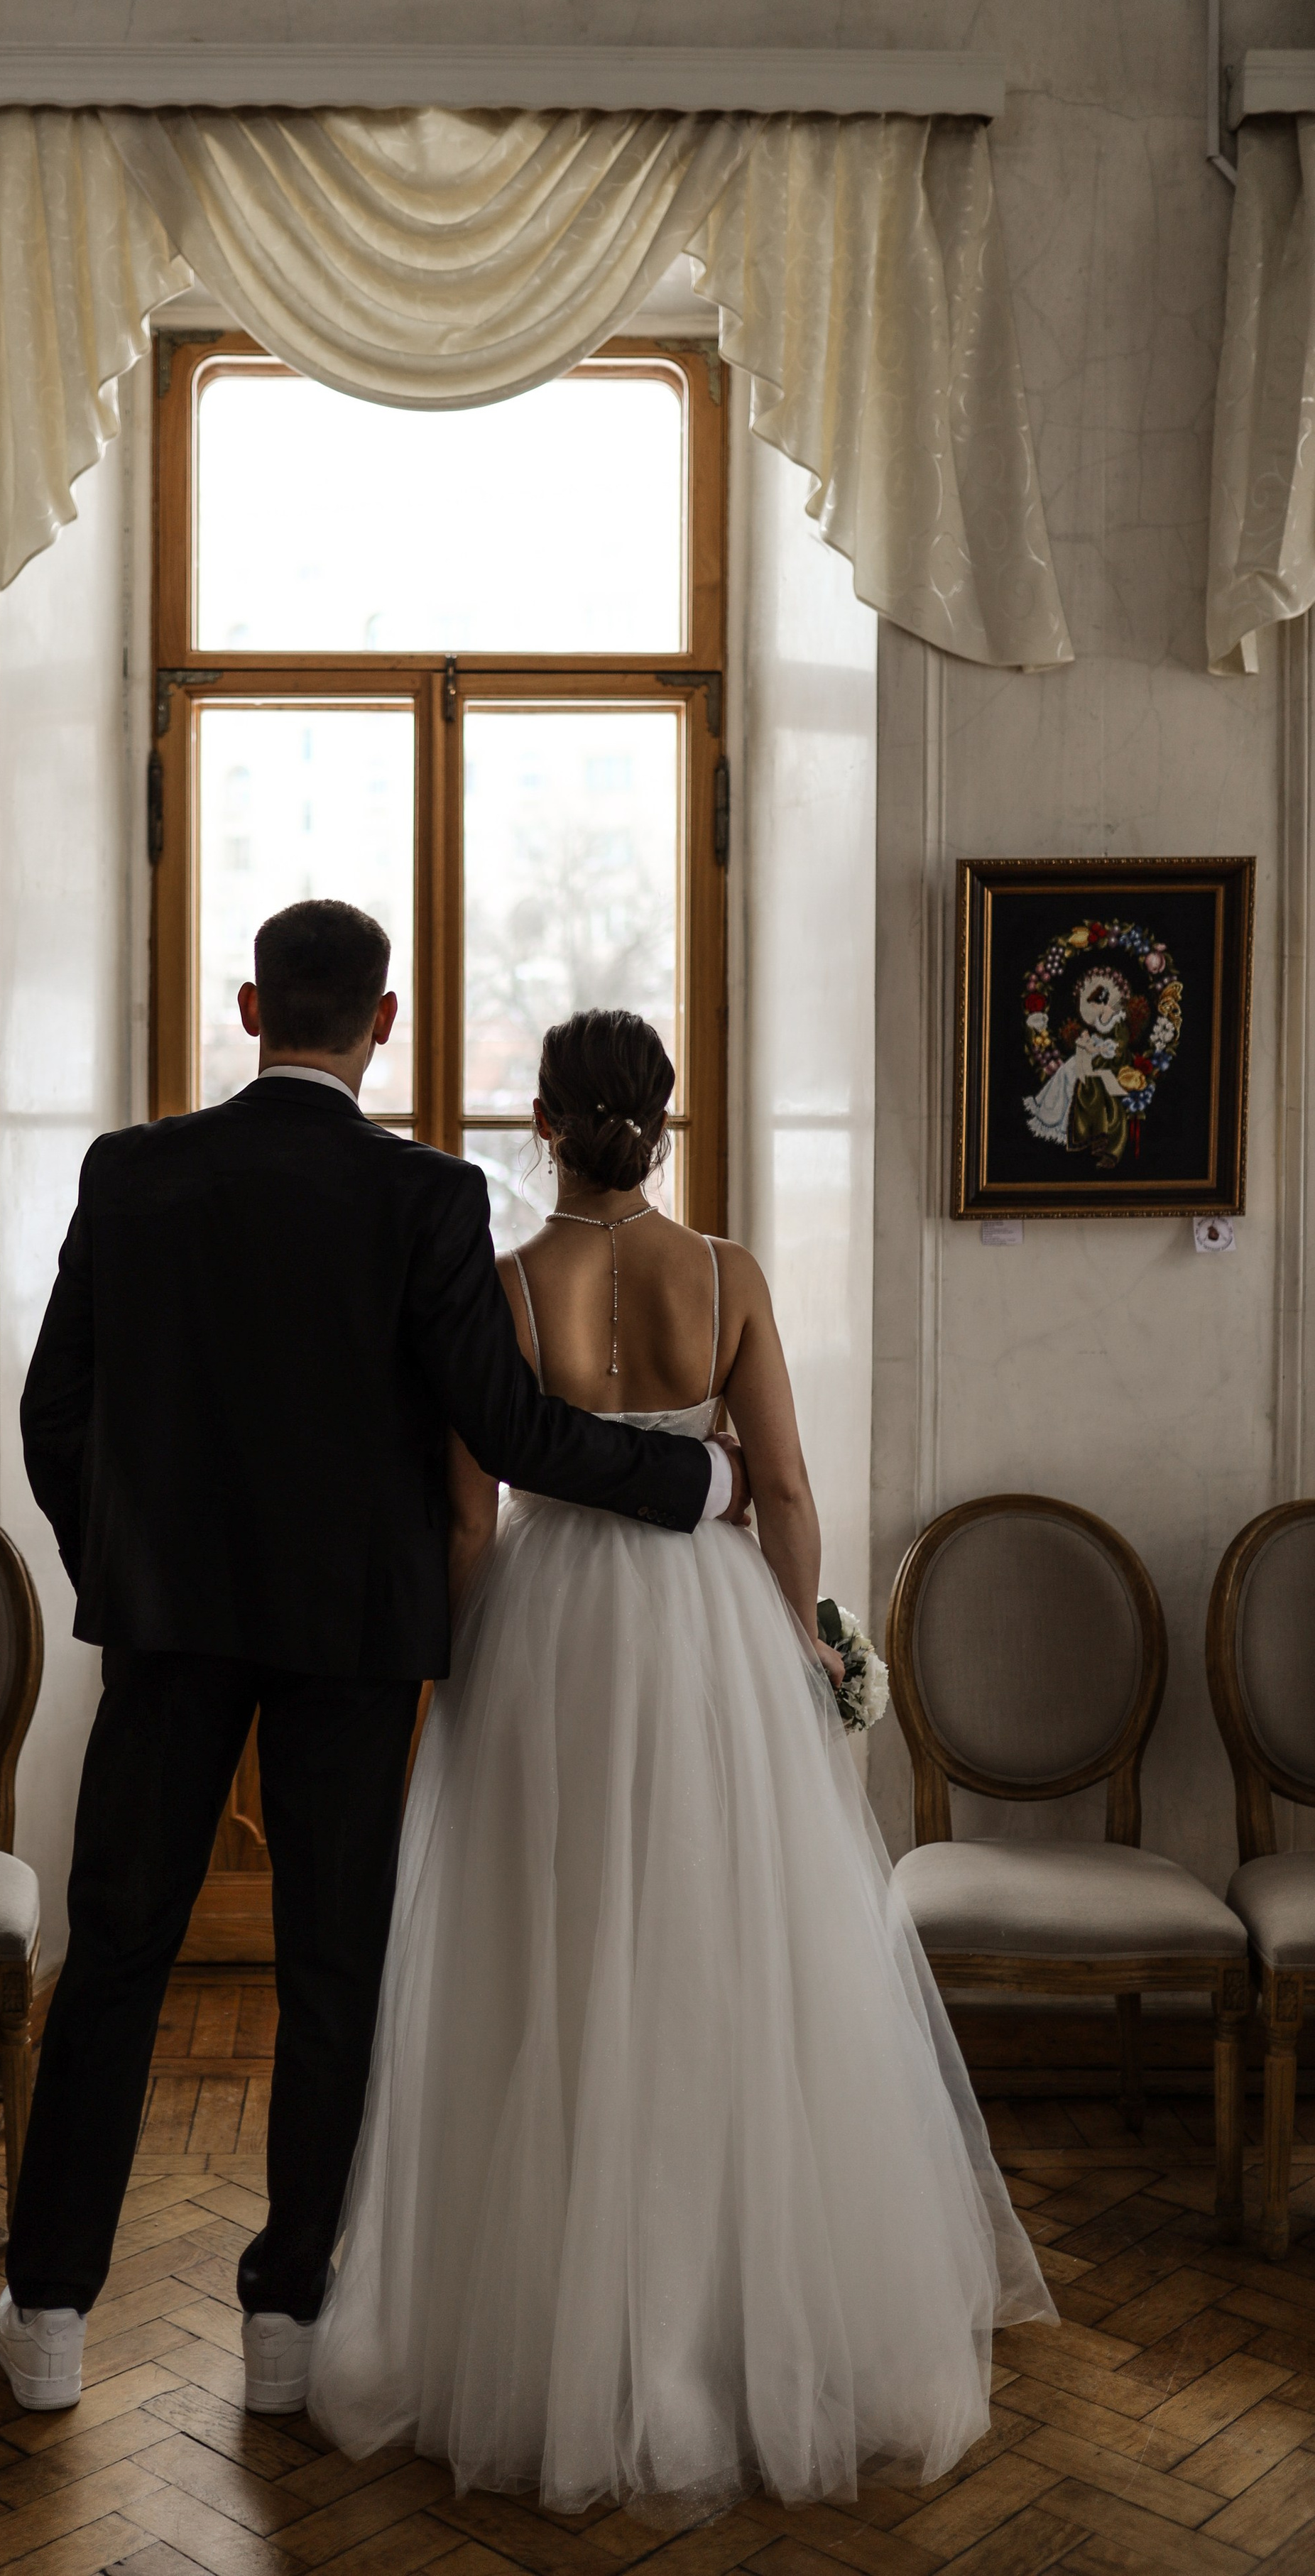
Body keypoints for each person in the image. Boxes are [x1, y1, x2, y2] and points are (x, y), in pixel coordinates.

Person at [0, 908, 751, 2416]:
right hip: (353, 1641)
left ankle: (53, 2314)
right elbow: (509, 1431)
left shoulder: (131, 1172)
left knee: (113, 1962)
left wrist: (127, 1572)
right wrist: (699, 1485)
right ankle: (285, 2322)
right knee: (331, 1967)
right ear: (386, 1021)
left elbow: (52, 1416)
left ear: (251, 1002)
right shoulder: (425, 1194)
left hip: (168, 1632)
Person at [308, 1008, 1054, 2513]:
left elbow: (468, 1517)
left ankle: (555, 2327)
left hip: (551, 1628)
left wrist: (457, 1679)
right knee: (722, 1953)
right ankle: (730, 2318)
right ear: (660, 1118)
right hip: (704, 1630)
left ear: (541, 1122)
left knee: (553, 1953)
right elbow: (775, 1482)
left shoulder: (510, 1284)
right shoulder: (724, 1274)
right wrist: (790, 1650)